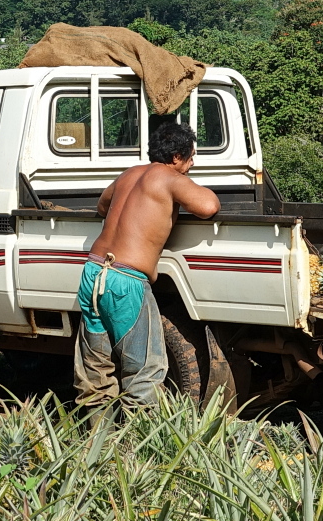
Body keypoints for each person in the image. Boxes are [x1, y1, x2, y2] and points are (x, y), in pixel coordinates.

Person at [74, 122, 220, 408]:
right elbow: (208, 206)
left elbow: (102, 206)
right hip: (124, 282)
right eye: (190, 158)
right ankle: (138, 448)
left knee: (95, 372)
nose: (192, 164)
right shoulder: (168, 177)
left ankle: (95, 444)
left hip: (93, 272)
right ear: (176, 157)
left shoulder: (128, 175)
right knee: (144, 372)